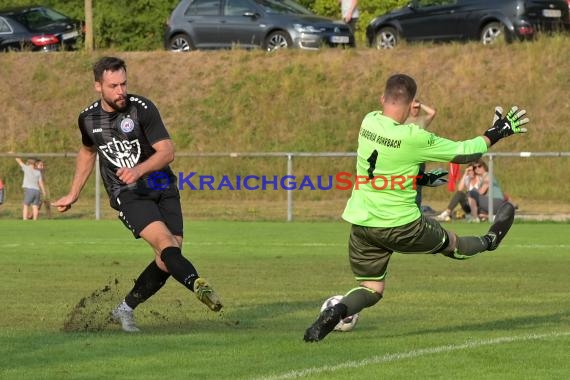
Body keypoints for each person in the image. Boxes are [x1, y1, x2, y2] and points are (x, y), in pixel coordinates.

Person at [303, 74, 529, 342]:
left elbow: (388, 166)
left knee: (371, 288)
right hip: (402, 225)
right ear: (412, 104)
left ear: (382, 99)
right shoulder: (414, 137)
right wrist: (497, 132)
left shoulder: (368, 121)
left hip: (363, 224)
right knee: (452, 245)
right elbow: (465, 152)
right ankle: (490, 240)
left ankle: (338, 310)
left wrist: (420, 179)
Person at [52, 56, 223, 332]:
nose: (121, 91)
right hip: (127, 193)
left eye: (124, 83)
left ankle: (124, 309)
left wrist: (140, 169)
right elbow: (87, 151)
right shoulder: (88, 119)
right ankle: (198, 285)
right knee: (166, 244)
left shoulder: (141, 109)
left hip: (161, 185)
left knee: (167, 258)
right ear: (98, 86)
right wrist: (73, 193)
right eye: (113, 86)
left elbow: (167, 151)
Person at [406, 99, 437, 208]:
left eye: (417, 108)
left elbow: (432, 112)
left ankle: (417, 212)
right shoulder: (404, 120)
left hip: (419, 160)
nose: (415, 110)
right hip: (406, 160)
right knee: (405, 187)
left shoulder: (422, 120)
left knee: (417, 187)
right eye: (413, 107)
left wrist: (420, 104)